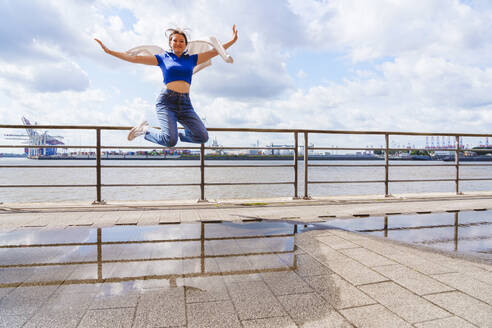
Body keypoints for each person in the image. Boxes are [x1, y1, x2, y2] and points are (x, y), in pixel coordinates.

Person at [95, 25, 238, 146]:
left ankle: (176, 133)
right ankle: (145, 130)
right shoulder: (163, 58)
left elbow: (216, 51)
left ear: (186, 44)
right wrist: (110, 52)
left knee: (202, 137)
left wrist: (232, 40)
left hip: (185, 103)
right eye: (175, 41)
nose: (178, 43)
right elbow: (134, 58)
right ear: (170, 43)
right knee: (170, 141)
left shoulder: (193, 59)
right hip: (167, 102)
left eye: (182, 41)